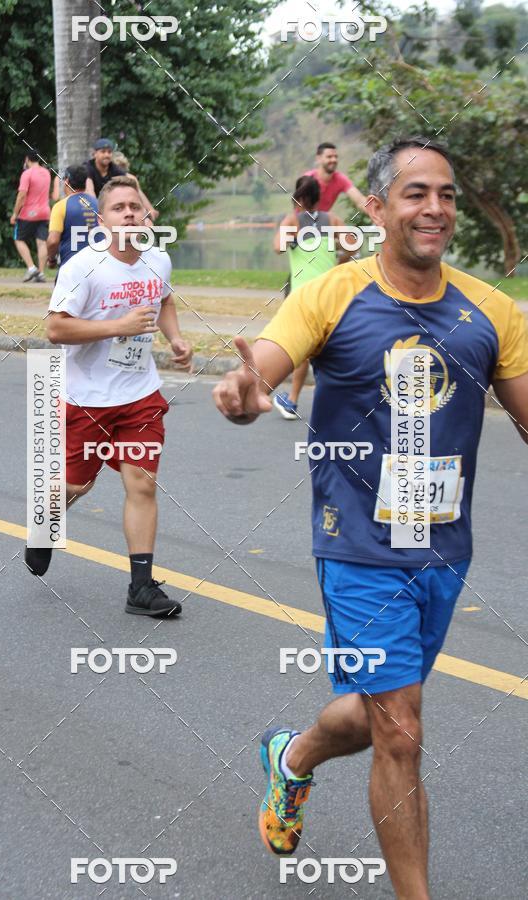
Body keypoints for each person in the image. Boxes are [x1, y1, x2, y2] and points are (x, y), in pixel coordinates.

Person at [213, 137, 528, 898]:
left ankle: (292, 756)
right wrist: (245, 388)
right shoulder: (334, 294)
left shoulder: (491, 311)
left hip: (444, 550)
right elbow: (265, 363)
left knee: (370, 714)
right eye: (417, 193)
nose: (437, 209)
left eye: (447, 194)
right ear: (379, 206)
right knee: (403, 730)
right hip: (356, 545)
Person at [25, 176, 193, 618]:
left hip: (139, 394)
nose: (129, 214)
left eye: (135, 207)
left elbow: (166, 301)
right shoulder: (83, 267)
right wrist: (116, 326)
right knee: (79, 484)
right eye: (118, 208)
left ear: (146, 214)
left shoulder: (158, 259)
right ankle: (44, 526)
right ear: (102, 220)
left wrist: (176, 340)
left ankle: (141, 587)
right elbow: (55, 328)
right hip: (87, 398)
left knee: (142, 483)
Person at [271, 175, 352, 420]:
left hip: (302, 296)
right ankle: (338, 402)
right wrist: (339, 262)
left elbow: (277, 247)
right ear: (319, 197)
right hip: (330, 295)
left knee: (303, 350)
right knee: (331, 348)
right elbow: (352, 244)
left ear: (299, 197)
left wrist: (294, 239)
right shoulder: (332, 220)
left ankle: (292, 401)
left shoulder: (293, 220)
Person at [84, 139, 159, 221]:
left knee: (132, 180)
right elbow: (89, 191)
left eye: (109, 152)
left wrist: (149, 209)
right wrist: (100, 213)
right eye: (103, 152)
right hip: (90, 207)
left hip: (110, 205)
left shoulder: (114, 168)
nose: (106, 155)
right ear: (95, 154)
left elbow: (130, 179)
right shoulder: (88, 168)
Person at [46, 165, 100, 269]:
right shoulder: (99, 204)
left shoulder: (60, 206)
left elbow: (53, 241)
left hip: (71, 266)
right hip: (97, 267)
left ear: (66, 181)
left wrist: (51, 259)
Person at [10, 149, 52, 282]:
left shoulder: (27, 174)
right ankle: (41, 273)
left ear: (27, 159)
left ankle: (31, 268)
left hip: (28, 213)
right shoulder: (46, 173)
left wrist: (15, 213)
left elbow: (22, 195)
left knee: (19, 239)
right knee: (41, 242)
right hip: (45, 212)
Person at [303, 141, 367, 215]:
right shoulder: (308, 179)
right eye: (329, 157)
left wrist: (378, 215)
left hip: (321, 222)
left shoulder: (340, 179)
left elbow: (361, 201)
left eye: (335, 157)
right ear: (318, 159)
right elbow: (300, 206)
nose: (334, 160)